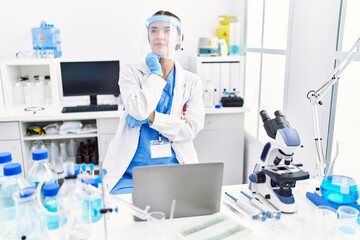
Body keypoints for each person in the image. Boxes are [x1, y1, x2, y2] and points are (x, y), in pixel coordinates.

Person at [103, 10, 205, 194]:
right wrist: (156, 75)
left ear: (180, 38)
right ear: (148, 36)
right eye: (153, 30)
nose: (159, 36)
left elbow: (190, 130)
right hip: (130, 174)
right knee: (130, 217)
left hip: (175, 170)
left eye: (167, 30)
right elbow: (138, 110)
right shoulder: (131, 72)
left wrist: (153, 118)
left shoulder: (192, 82)